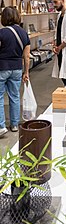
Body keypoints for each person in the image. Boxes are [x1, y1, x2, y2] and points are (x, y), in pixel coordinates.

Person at [0, 7, 30, 136]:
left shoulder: (1, 33)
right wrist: (26, 72)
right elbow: (27, 56)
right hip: (17, 68)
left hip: (2, 68)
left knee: (0, 97)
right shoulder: (23, 33)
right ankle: (14, 124)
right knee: (15, 96)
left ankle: (1, 126)